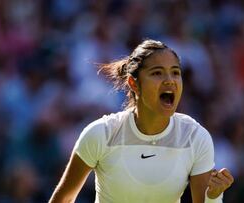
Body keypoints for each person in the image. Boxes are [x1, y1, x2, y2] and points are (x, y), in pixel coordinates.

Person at [49, 39, 234, 203]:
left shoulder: (196, 137)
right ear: (133, 84)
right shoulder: (101, 134)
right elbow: (64, 199)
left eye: (175, 72)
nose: (170, 80)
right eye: (157, 73)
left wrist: (213, 195)